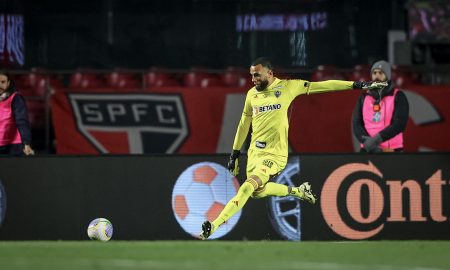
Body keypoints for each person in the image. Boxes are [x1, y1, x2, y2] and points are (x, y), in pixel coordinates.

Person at [199, 57, 384, 239]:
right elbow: (243, 125)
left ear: (270, 73)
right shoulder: (251, 95)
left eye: (257, 75)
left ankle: (213, 226)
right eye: (251, 76)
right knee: (256, 192)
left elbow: (324, 85)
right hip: (255, 153)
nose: (253, 79)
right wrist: (235, 154)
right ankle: (297, 191)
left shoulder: (288, 87)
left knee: (247, 187)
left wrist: (358, 85)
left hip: (275, 155)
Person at [352, 60, 409, 153]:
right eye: (374, 73)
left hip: (392, 150)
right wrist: (367, 143)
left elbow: (399, 124)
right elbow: (356, 123)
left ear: (388, 76)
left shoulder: (398, 96)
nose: (377, 76)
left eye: (381, 73)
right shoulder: (364, 98)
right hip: (367, 149)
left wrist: (375, 141)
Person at [0, 72, 35, 156]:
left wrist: (26, 143)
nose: (0, 85)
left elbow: (22, 121)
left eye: (3, 82)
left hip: (13, 146)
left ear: (8, 83)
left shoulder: (16, 98)